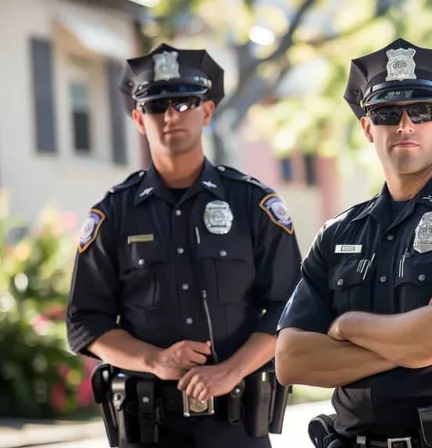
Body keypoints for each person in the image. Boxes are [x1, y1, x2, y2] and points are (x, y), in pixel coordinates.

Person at [274, 38, 432, 448]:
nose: (404, 124)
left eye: (423, 110)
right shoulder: (339, 232)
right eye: (385, 113)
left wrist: (349, 326)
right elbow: (290, 361)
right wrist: (416, 346)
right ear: (366, 128)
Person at [65, 43, 302, 448]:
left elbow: (293, 306)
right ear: (139, 119)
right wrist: (154, 361)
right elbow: (85, 321)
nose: (171, 115)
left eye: (184, 102)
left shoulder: (251, 204)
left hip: (237, 426)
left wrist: (230, 369)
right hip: (147, 427)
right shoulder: (114, 214)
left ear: (206, 111)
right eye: (157, 106)